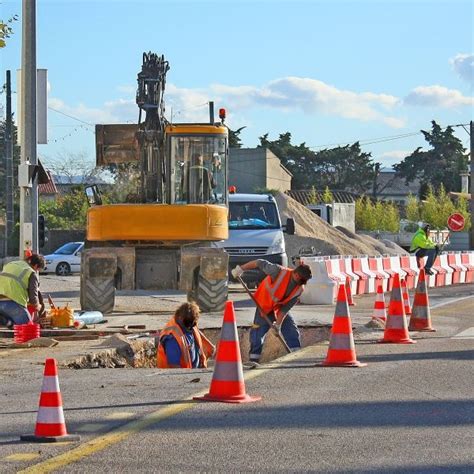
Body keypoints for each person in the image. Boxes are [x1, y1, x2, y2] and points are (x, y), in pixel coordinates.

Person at [231, 259, 312, 365]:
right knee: (257, 333)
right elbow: (259, 262)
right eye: (301, 279)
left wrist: (278, 325)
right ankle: (253, 360)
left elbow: (285, 309)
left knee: (291, 329)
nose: (302, 282)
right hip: (264, 306)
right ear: (296, 274)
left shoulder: (299, 289)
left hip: (278, 308)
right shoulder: (278, 271)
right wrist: (241, 269)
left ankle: (295, 355)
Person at [156, 302, 216, 368]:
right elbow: (174, 368)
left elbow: (196, 331)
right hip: (181, 375)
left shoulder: (188, 324)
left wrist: (211, 347)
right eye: (190, 325)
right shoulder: (172, 339)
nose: (192, 327)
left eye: (193, 325)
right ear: (181, 319)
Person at [0, 253, 46, 328]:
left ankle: (6, 322)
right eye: (38, 270)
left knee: (13, 323)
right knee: (28, 327)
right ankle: (9, 323)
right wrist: (38, 306)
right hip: (12, 302)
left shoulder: (11, 264)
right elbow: (33, 298)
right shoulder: (31, 273)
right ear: (36, 266)